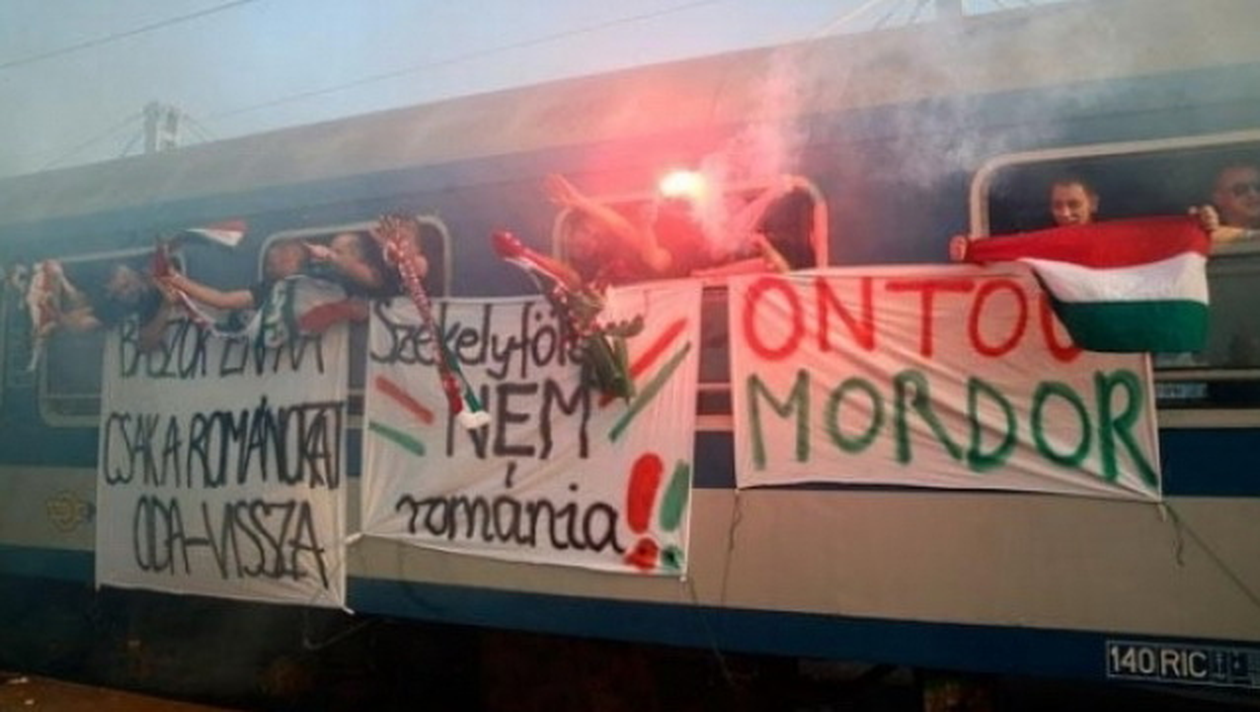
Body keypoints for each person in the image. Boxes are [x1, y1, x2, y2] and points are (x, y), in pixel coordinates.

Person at [55, 261, 177, 352]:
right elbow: (144, 344)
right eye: (118, 293)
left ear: (136, 275)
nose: (125, 293)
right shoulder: (116, 307)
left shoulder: (159, 281)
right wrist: (166, 308)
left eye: (126, 285)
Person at [1190, 161, 1260, 246]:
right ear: (1218, 198)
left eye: (1258, 187)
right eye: (1241, 189)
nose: (1253, 194)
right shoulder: (1202, 232)